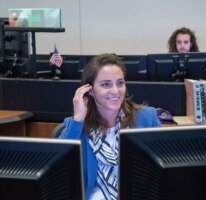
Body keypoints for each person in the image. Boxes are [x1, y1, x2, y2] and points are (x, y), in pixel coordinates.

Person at [59, 53, 161, 200]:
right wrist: (78, 119)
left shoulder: (146, 118)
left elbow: (161, 170)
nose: (115, 91)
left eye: (120, 83)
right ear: (90, 90)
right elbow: (59, 173)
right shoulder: (75, 125)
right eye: (106, 84)